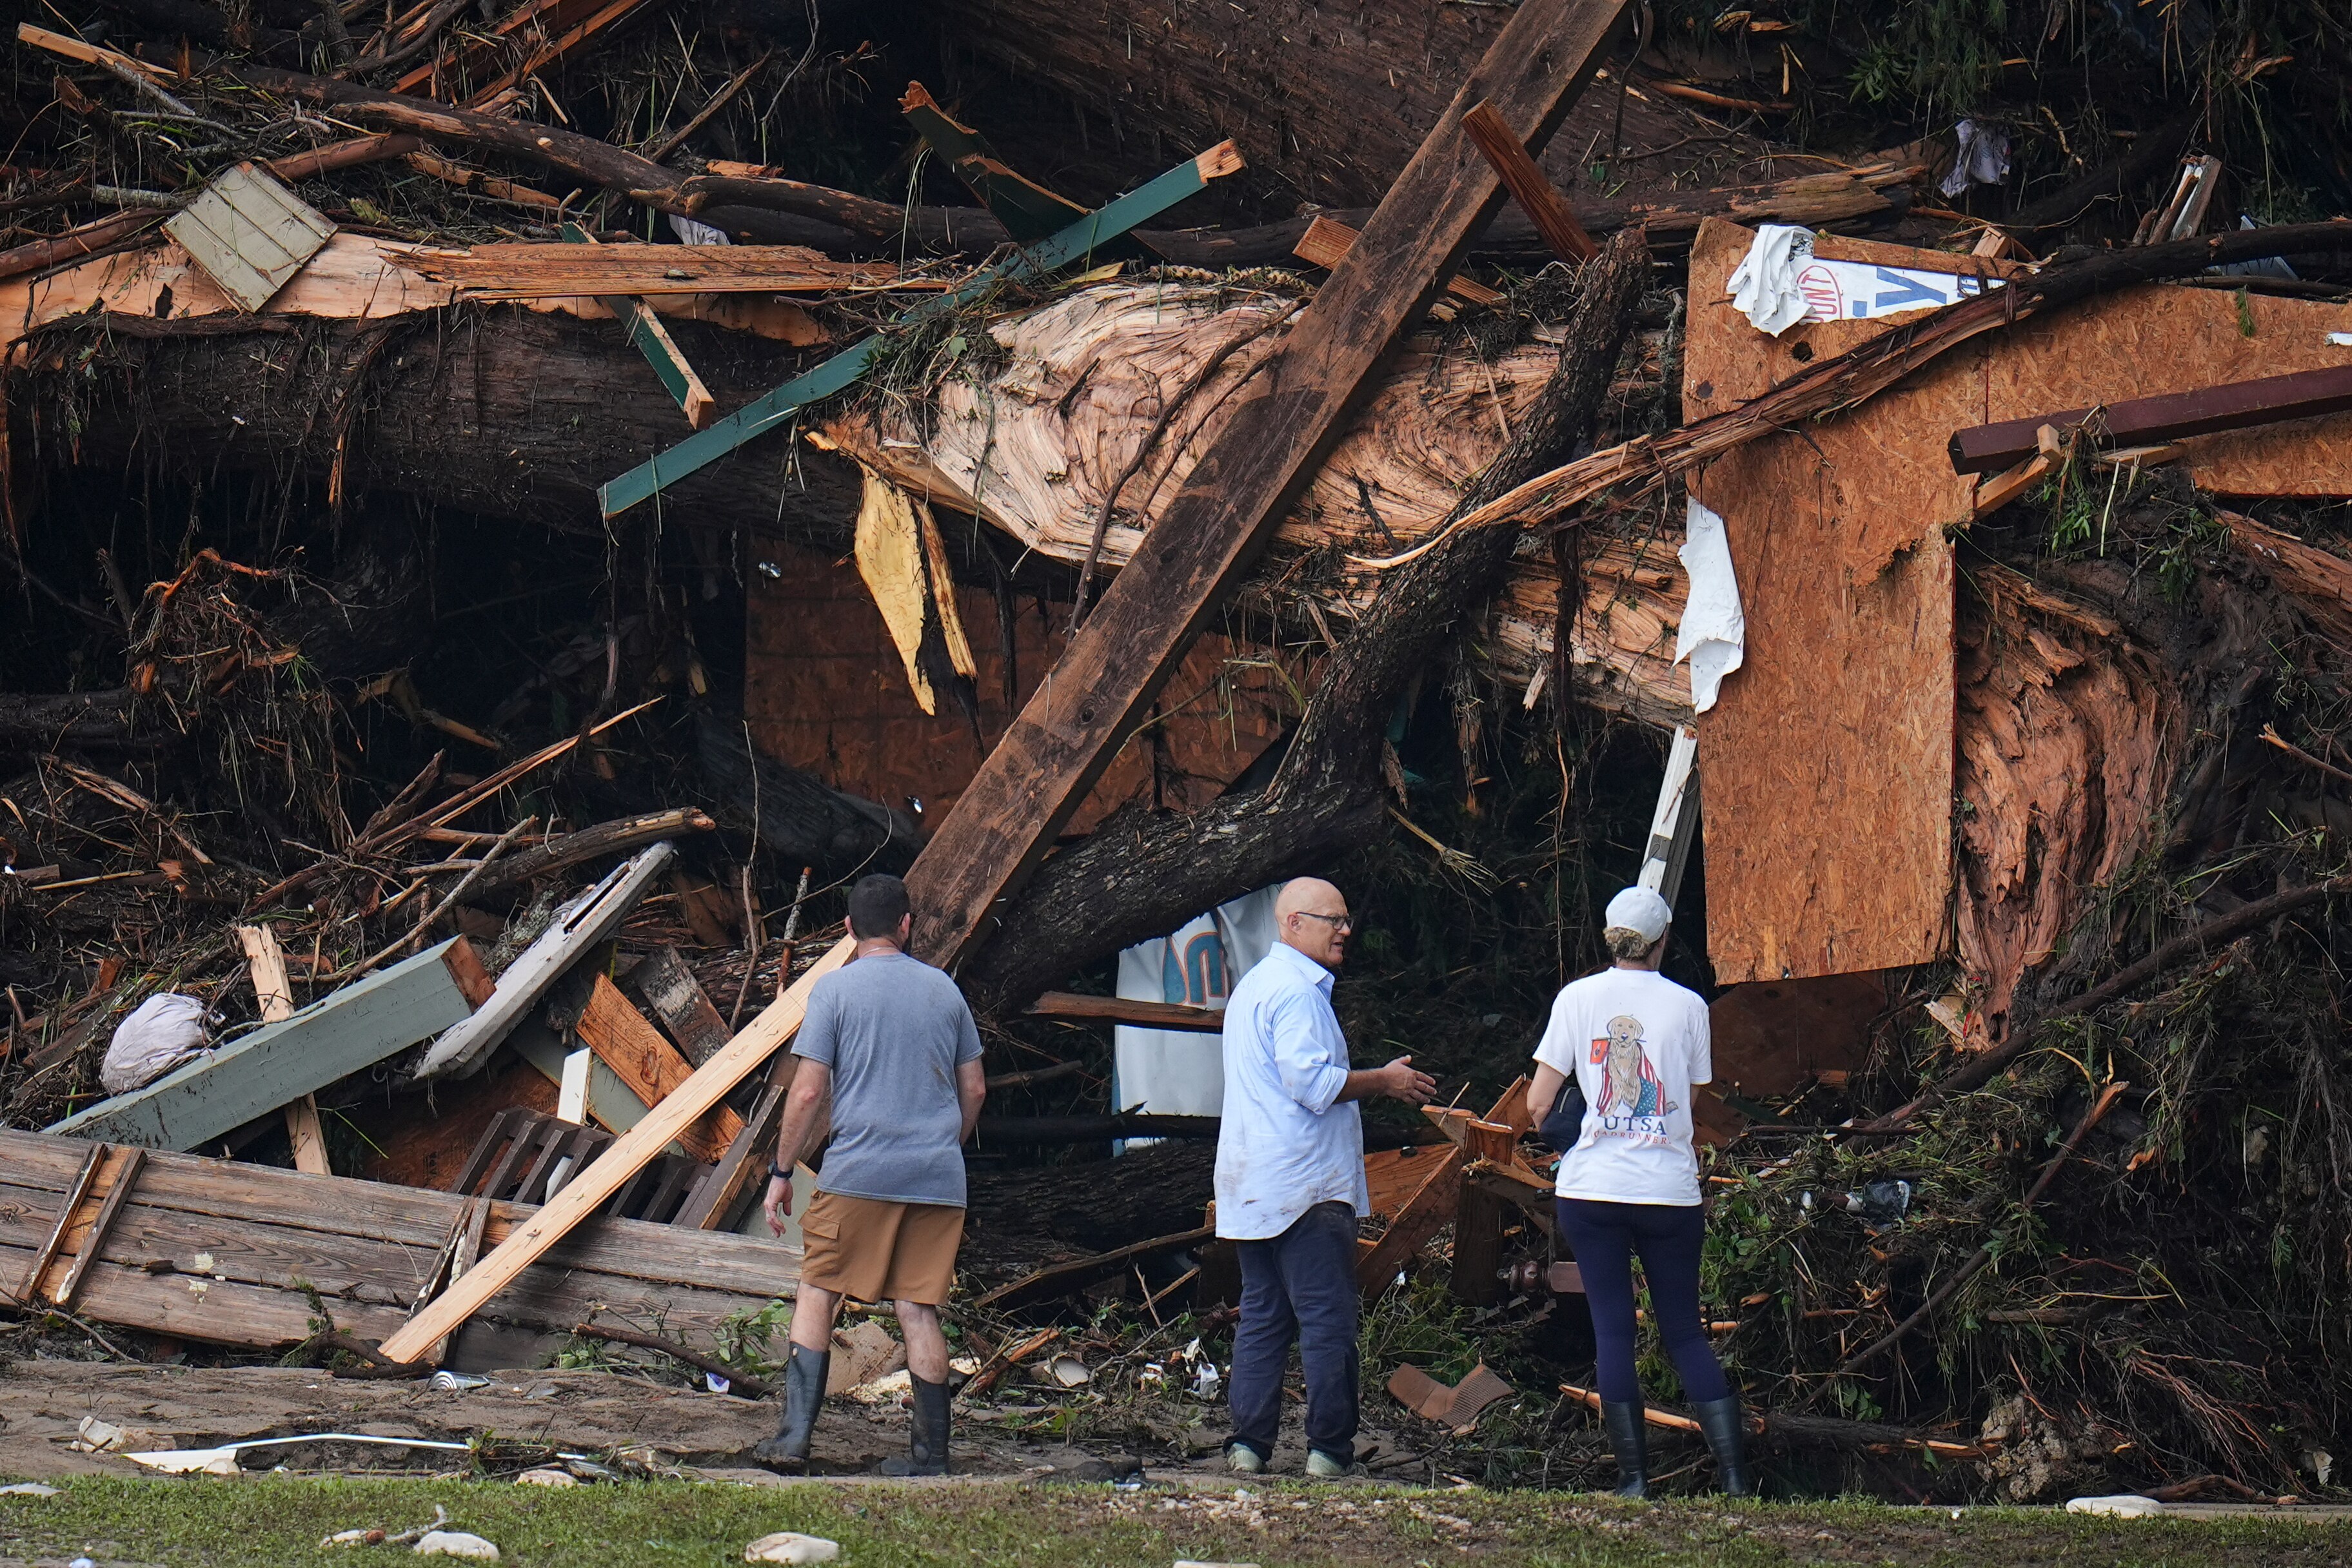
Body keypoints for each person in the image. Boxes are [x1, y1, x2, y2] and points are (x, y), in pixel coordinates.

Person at [753, 873, 986, 1475]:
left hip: (859, 1172)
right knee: (918, 1307)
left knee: (817, 1289)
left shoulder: (834, 993)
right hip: (937, 1178)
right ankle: (930, 1458)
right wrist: (941, 1146)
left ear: (849, 929)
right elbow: (976, 1088)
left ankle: (793, 1442)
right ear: (907, 925)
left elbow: (807, 1094)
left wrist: (782, 1170)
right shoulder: (945, 992)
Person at [1525, 884, 1752, 1498]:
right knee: (1683, 1331)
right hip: (1668, 1192)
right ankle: (1733, 1476)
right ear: (1662, 940)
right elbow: (1693, 1098)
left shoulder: (1577, 999)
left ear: (1609, 937)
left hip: (1593, 1192)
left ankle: (1634, 1478)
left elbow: (1539, 1103)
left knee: (1613, 1331)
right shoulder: (1688, 1006)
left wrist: (1581, 1135)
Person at [1216, 876, 1435, 1478]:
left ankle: (1247, 1448)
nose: (1345, 930)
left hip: (1254, 1184)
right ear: (1292, 924)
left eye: (1344, 919)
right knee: (1326, 1319)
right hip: (1305, 1186)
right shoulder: (1297, 994)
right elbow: (1312, 1085)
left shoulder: (1255, 988)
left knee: (1262, 1315)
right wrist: (1385, 1081)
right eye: (1331, 920)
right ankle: (1326, 1454)